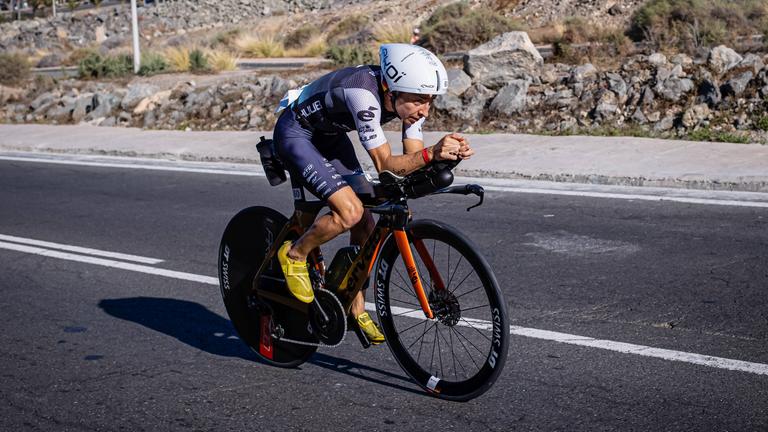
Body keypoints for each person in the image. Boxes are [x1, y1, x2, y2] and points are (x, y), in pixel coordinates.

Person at [272, 43, 474, 344]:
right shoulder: (363, 95)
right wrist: (433, 153)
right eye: (419, 101)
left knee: (368, 222)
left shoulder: (409, 102)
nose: (425, 110)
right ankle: (293, 253)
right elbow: (385, 164)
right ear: (392, 91)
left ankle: (355, 305)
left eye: (430, 101)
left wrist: (445, 157)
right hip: (296, 133)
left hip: (330, 137)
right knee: (351, 212)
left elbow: (411, 161)